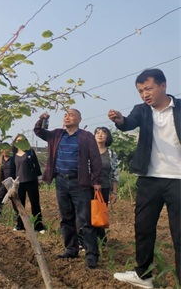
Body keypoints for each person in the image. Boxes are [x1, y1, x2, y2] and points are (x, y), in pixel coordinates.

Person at [109, 69, 180, 288]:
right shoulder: (141, 110)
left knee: (179, 234)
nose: (144, 94)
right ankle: (144, 275)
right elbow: (128, 122)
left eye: (148, 89)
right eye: (140, 91)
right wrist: (120, 120)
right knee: (143, 228)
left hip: (178, 179)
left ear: (163, 86)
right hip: (149, 179)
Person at [34, 109, 102, 269]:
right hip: (61, 182)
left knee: (85, 220)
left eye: (71, 114)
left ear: (79, 119)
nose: (67, 117)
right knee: (66, 218)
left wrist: (96, 180)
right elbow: (38, 131)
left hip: (80, 183)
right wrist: (41, 118)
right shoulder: (57, 134)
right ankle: (71, 249)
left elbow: (95, 159)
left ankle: (91, 254)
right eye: (65, 115)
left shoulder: (86, 136)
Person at [11, 134, 46, 233]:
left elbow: (37, 166)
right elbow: (12, 170)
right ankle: (20, 225)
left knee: (35, 204)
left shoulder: (30, 152)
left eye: (22, 140)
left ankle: (38, 226)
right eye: (18, 141)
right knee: (20, 205)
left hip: (31, 181)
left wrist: (39, 179)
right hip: (19, 184)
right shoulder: (13, 155)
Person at [93, 126, 119, 243]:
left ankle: (101, 240)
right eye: (97, 133)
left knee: (100, 214)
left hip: (104, 188)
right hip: (88, 188)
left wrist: (114, 192)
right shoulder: (89, 151)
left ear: (107, 137)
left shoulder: (111, 153)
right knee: (87, 214)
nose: (100, 135)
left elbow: (115, 174)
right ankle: (88, 240)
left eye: (103, 133)